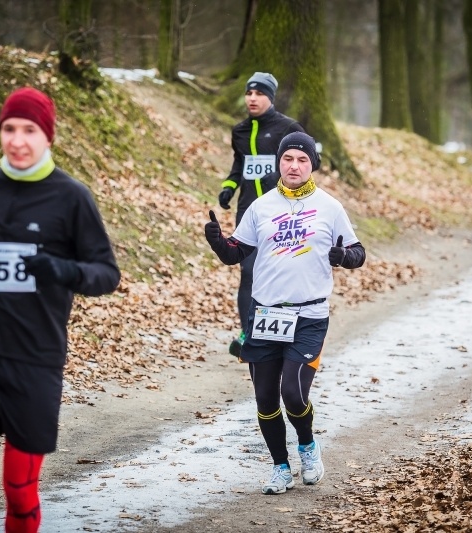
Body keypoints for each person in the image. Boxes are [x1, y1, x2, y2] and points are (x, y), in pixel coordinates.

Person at [0, 87, 120, 532]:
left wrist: (59, 269)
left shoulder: (71, 196)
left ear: (48, 138)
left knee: (20, 490)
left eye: (29, 130)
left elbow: (106, 273)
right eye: (8, 129)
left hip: (36, 359)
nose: (17, 141)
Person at [205, 132, 366, 495]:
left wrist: (343, 256)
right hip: (265, 316)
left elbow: (359, 252)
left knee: (292, 394)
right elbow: (236, 253)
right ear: (279, 162)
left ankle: (308, 446)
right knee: (265, 399)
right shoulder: (261, 206)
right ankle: (281, 467)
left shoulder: (330, 207)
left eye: (302, 160)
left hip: (309, 316)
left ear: (312, 165)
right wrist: (217, 240)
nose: (294, 166)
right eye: (288, 158)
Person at [218, 72, 305, 357]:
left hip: (281, 212)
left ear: (271, 97)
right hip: (248, 211)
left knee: (278, 272)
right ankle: (248, 334)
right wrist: (229, 189)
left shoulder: (288, 128)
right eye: (249, 93)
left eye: (259, 94)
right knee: (248, 271)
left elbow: (306, 164)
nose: (252, 98)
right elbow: (239, 165)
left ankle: (283, 331)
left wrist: (282, 182)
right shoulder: (240, 131)